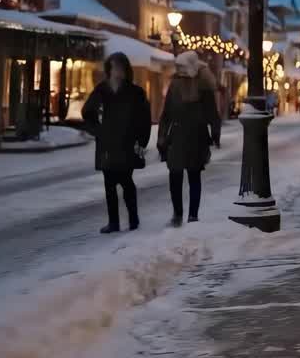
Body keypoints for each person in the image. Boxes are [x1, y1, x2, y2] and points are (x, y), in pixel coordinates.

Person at [82, 52, 151, 234]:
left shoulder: (135, 92)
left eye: (121, 68)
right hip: (108, 144)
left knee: (126, 181)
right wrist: (98, 131)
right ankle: (113, 222)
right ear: (109, 70)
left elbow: (144, 119)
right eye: (115, 68)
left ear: (126, 70)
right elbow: (87, 112)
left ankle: (133, 219)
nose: (118, 72)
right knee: (109, 183)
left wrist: (142, 142)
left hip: (128, 144)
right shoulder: (102, 90)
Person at [157, 52, 221, 226]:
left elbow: (212, 112)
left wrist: (215, 132)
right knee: (175, 175)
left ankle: (193, 215)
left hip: (196, 136)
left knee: (194, 175)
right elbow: (166, 114)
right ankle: (177, 214)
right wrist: (161, 136)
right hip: (177, 136)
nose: (180, 71)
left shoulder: (203, 84)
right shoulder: (175, 84)